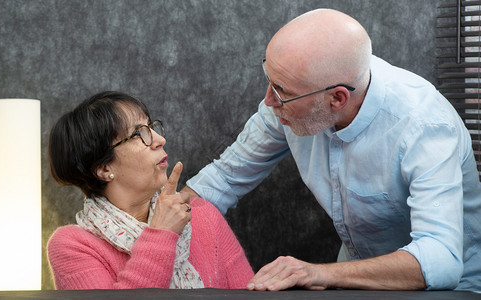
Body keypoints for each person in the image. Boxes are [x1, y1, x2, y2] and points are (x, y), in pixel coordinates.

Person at [181, 8, 481, 291]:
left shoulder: (425, 126)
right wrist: (147, 226)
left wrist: (319, 273)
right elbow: (222, 180)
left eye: (282, 91)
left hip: (449, 290)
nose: (269, 101)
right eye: (270, 80)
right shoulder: (288, 103)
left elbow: (440, 259)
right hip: (351, 281)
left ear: (337, 99)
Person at [47, 91, 254, 289]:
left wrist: (268, 285)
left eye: (151, 127)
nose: (159, 140)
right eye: (138, 134)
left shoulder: (202, 215)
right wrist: (162, 234)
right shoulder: (72, 246)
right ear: (103, 168)